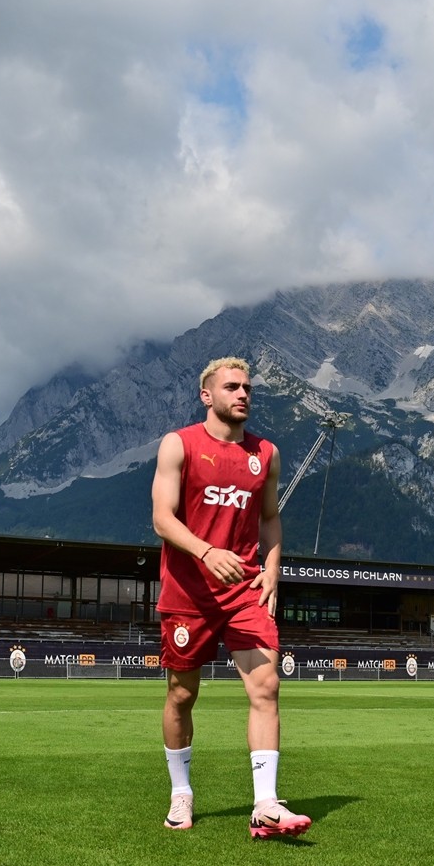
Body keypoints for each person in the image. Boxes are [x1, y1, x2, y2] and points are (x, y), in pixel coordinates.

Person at [151, 357, 310, 839]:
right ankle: (182, 792)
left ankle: (265, 804)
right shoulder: (179, 444)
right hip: (188, 594)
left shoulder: (267, 453)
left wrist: (274, 569)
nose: (243, 394)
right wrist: (205, 551)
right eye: (232, 387)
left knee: (267, 688)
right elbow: (162, 518)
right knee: (182, 694)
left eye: (247, 388)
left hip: (243, 593)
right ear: (208, 395)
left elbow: (269, 517)